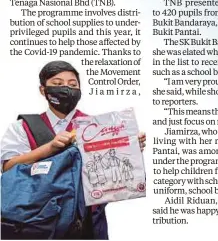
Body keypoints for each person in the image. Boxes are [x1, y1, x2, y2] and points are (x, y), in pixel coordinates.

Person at [1, 61, 147, 239]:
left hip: (87, 224)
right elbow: (8, 168)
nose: (66, 89)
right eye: (57, 84)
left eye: (72, 85)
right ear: (43, 90)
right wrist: (49, 148)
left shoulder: (98, 127)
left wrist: (129, 150)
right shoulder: (23, 127)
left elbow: (114, 177)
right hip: (34, 223)